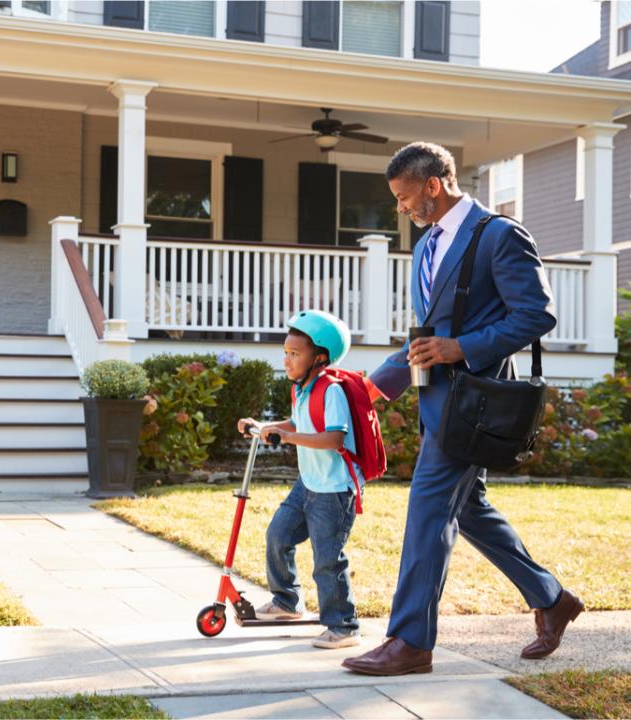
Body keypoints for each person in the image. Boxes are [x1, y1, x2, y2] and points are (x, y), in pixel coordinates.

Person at [342, 141, 582, 677]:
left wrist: (462, 348)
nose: (400, 209)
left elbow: (536, 315)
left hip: (476, 405)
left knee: (428, 510)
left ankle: (410, 641)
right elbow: (431, 333)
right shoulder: (427, 247)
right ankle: (552, 598)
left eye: (405, 198)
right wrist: (379, 386)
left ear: (434, 185)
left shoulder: (499, 235)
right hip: (438, 403)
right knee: (468, 509)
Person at [238, 310, 362, 650]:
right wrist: (265, 428)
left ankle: (344, 626)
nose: (287, 360)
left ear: (319, 358)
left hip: (334, 490)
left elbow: (334, 439)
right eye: (286, 352)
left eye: (295, 354)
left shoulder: (331, 390)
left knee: (327, 559)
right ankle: (287, 602)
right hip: (308, 483)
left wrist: (287, 438)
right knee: (278, 535)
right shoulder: (302, 389)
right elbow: (295, 424)